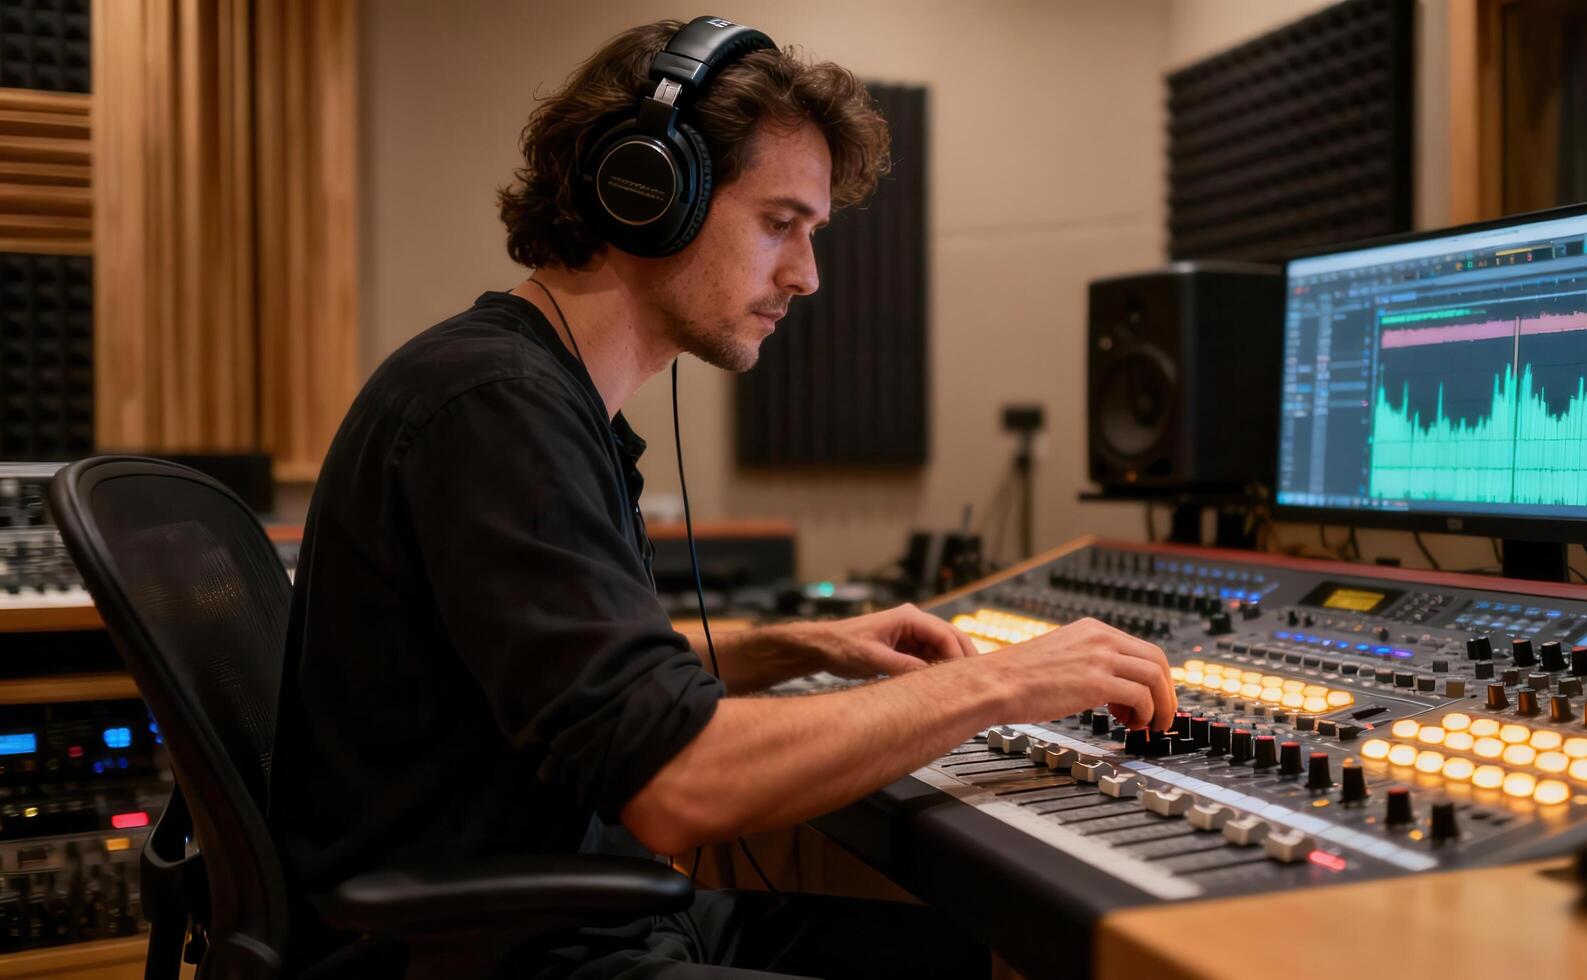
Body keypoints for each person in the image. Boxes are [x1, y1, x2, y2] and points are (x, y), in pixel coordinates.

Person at [271, 16, 1175, 978]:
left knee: (987, 955)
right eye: (780, 224)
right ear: (646, 191)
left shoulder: (523, 393)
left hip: (568, 922)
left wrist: (802, 646)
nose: (808, 275)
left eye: (813, 233)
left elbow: (578, 681)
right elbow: (676, 782)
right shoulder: (495, 411)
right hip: (507, 960)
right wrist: (1005, 682)